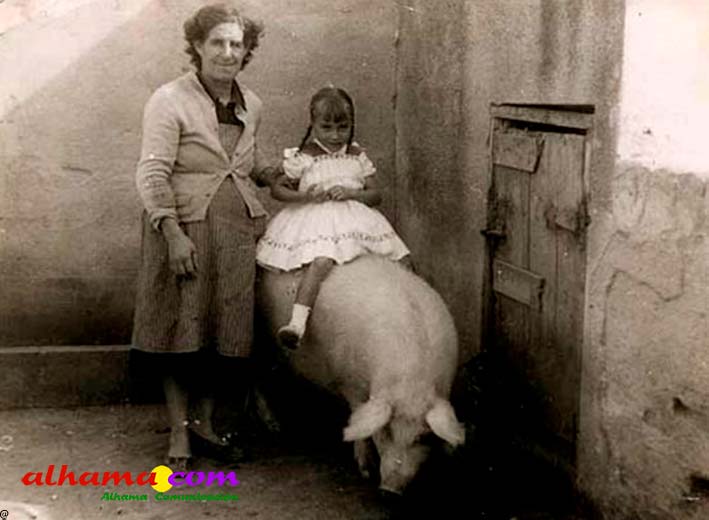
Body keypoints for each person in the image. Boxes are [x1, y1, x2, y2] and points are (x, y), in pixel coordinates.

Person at [132, 3, 276, 469]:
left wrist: (283, 174)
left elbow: (245, 162)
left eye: (237, 44)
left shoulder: (251, 104)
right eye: (217, 42)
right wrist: (172, 233)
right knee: (181, 329)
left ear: (246, 50)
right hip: (186, 230)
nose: (227, 52)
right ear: (197, 45)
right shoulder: (169, 99)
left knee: (223, 332)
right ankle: (179, 431)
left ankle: (205, 423)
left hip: (234, 232)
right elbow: (152, 172)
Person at [256, 87, 410, 349]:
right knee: (321, 261)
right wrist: (305, 197)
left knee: (402, 259)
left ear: (351, 124)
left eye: (343, 128)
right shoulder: (304, 156)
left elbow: (376, 195)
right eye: (326, 128)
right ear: (313, 124)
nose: (335, 136)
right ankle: (297, 324)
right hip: (318, 220)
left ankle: (408, 319)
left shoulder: (357, 155)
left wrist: (352, 193)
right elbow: (277, 190)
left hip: (357, 219)